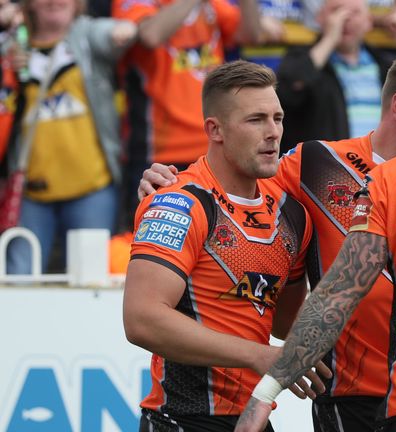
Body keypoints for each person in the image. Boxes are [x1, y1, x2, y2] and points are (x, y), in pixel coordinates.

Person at [139, 48, 396, 432]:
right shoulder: (315, 165)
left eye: (278, 120)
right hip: (355, 395)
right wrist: (167, 184)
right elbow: (229, 184)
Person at [123, 61, 330, 432]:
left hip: (253, 417)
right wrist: (258, 356)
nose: (272, 133)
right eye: (255, 120)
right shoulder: (178, 201)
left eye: (277, 118)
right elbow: (141, 320)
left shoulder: (292, 213)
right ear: (214, 130)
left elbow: (284, 324)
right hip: (182, 418)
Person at [3, 0, 136, 274]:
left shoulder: (86, 35)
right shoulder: (13, 46)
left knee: (90, 278)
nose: (54, 1)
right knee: (18, 277)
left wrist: (125, 30)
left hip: (92, 187)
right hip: (30, 190)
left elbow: (117, 32)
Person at [112, 0, 263, 229]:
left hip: (214, 149)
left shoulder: (211, 5)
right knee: (157, 240)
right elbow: (150, 35)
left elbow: (252, 35)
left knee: (217, 238)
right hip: (159, 155)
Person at [276, 0, 396, 153]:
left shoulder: (385, 64)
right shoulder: (303, 58)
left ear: (369, 21)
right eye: (337, 11)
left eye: (355, 12)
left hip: (380, 167)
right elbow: (289, 91)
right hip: (327, 167)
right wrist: (330, 39)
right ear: (319, 18)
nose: (345, 18)